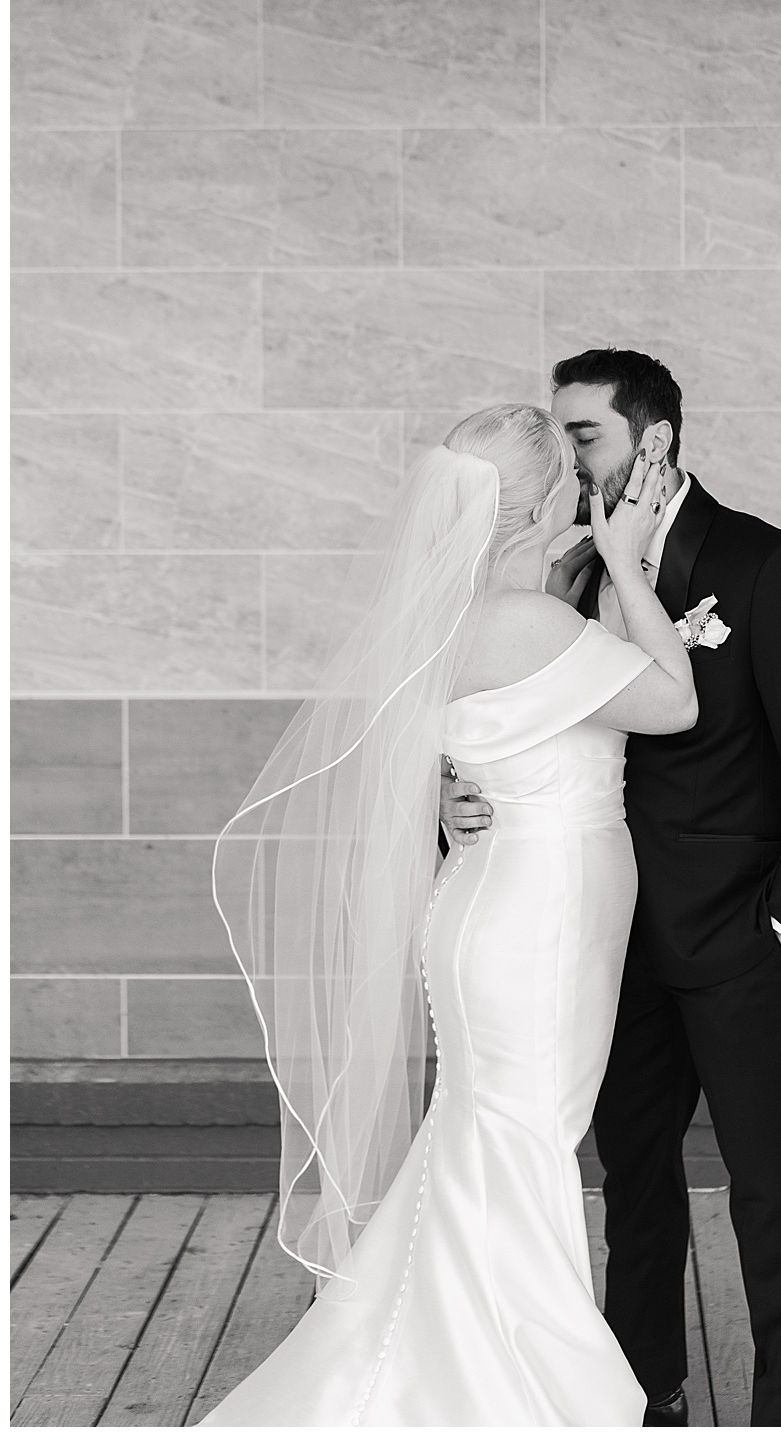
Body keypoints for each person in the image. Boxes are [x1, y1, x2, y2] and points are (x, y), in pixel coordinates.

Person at [201, 402, 697, 1426]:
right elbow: (672, 704)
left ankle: (425, 1362)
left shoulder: (455, 616)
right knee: (521, 1138)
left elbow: (418, 734)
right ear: (541, 498)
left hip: (494, 904)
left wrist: (433, 778)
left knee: (490, 1134)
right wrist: (630, 560)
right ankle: (520, 1383)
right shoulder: (526, 622)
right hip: (537, 916)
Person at [442, 351, 781, 1428]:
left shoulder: (766, 563)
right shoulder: (576, 572)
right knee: (634, 1186)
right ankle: (644, 1390)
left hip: (741, 940)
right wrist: (455, 797)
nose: (564, 458)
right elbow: (504, 718)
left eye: (583, 433)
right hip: (606, 942)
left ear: (655, 442)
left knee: (769, 1185)